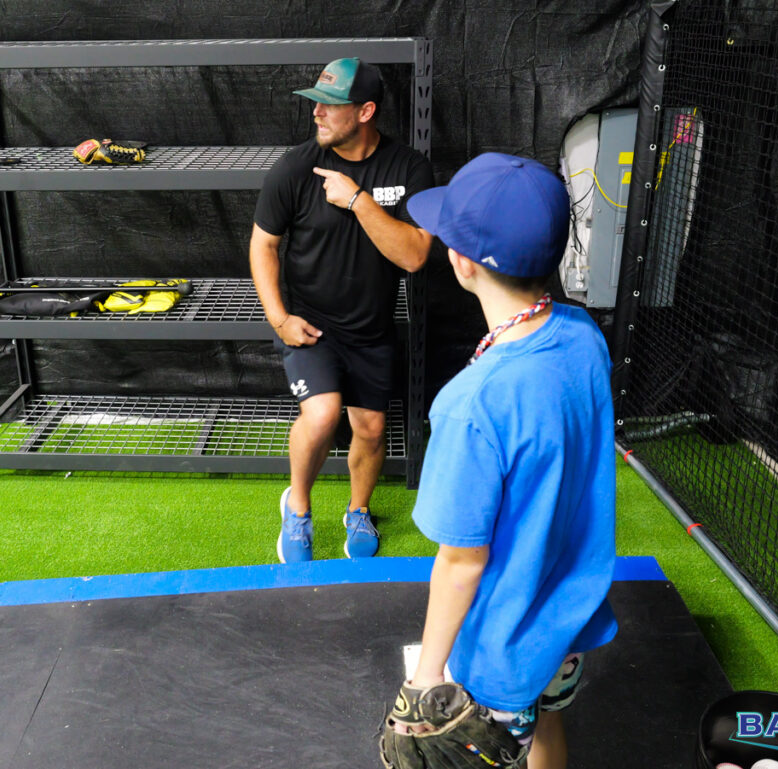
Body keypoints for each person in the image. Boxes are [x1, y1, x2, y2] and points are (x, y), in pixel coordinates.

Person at [398, 153, 618, 768]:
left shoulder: (472, 404)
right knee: (548, 722)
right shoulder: (582, 334)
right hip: (568, 624)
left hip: (502, 650)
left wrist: (426, 681)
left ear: (462, 262)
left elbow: (461, 563)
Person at [250, 58, 434, 563]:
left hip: (372, 329)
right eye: (315, 103)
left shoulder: (408, 168)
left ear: (366, 111)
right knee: (325, 412)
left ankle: (358, 510)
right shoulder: (295, 167)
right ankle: (299, 509)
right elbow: (262, 246)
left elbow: (416, 255)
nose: (317, 113)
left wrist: (358, 200)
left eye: (331, 105)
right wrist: (278, 318)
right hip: (312, 325)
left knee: (372, 428)